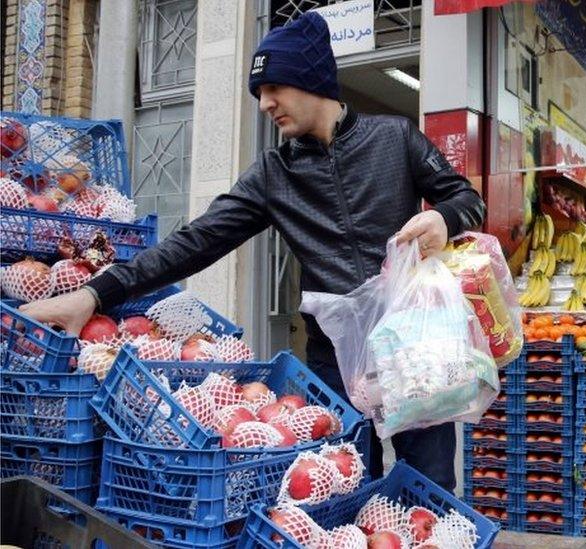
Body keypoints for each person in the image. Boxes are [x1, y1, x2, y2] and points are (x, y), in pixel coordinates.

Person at [18, 12, 485, 491]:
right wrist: (94, 294)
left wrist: (443, 218)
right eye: (258, 94)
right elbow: (194, 243)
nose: (264, 104)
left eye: (272, 88)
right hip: (335, 363)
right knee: (349, 487)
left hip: (416, 350)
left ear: (312, 80)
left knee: (429, 490)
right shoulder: (274, 174)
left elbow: (470, 201)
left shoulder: (396, 138)